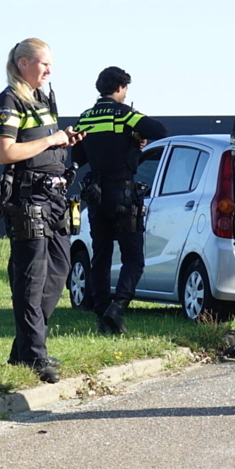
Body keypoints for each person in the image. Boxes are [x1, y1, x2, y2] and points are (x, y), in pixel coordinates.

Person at [0, 38, 84, 384]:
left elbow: (44, 143)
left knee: (59, 271)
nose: (49, 71)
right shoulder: (8, 101)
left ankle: (24, 349)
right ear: (24, 63)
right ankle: (34, 355)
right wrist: (51, 140)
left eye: (50, 65)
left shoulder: (42, 99)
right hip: (29, 199)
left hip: (55, 197)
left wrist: (64, 139)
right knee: (31, 279)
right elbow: (5, 153)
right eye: (44, 64)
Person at [71, 67, 167, 334]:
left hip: (96, 194)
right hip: (123, 194)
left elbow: (78, 156)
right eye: (126, 88)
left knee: (100, 257)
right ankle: (118, 307)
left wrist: (125, 143)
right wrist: (134, 136)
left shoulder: (85, 118)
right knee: (133, 258)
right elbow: (159, 130)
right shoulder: (124, 114)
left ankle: (103, 314)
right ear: (120, 87)